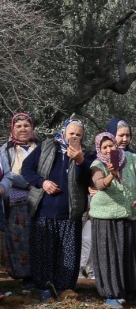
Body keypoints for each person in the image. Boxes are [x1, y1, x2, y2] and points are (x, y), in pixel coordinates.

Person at [24, 119, 95, 299]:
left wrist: (80, 161)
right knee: (44, 252)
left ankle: (65, 289)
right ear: (64, 132)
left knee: (69, 254)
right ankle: (45, 288)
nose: (74, 137)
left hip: (70, 213)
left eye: (78, 135)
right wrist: (42, 182)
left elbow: (88, 180)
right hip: (44, 210)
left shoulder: (86, 154)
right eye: (71, 133)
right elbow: (26, 169)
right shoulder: (47, 147)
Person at [88, 131, 136, 309]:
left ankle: (135, 293)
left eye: (111, 145)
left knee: (133, 255)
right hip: (106, 216)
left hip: (131, 213)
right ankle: (112, 295)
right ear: (99, 149)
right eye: (104, 147)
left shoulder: (131, 158)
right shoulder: (97, 164)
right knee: (109, 255)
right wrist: (112, 174)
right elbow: (99, 184)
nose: (108, 150)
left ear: (116, 144)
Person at [2, 112, 39, 286]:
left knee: (39, 236)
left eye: (26, 125)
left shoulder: (40, 147)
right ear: (12, 128)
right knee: (20, 238)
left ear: (32, 128)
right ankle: (23, 276)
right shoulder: (5, 150)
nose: (23, 129)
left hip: (40, 198)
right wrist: (29, 181)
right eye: (18, 126)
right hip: (17, 201)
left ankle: (40, 274)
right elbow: (6, 174)